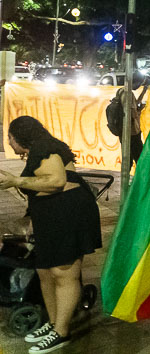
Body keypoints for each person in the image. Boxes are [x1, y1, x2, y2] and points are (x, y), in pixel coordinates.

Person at [0, 116, 102, 353]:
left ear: (20, 137)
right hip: (51, 217)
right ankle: (54, 323)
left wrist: (16, 179)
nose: (10, 143)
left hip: (68, 214)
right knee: (45, 271)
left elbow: (56, 181)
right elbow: (39, 184)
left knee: (63, 273)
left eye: (10, 138)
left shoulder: (45, 147)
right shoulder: (40, 149)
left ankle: (62, 332)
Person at [118, 71, 150, 167]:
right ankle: (140, 181)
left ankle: (127, 180)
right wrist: (139, 110)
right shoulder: (128, 94)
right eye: (139, 83)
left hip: (124, 132)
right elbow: (133, 114)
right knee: (140, 160)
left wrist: (144, 91)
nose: (138, 86)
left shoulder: (121, 91)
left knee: (128, 159)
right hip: (132, 133)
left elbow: (134, 105)